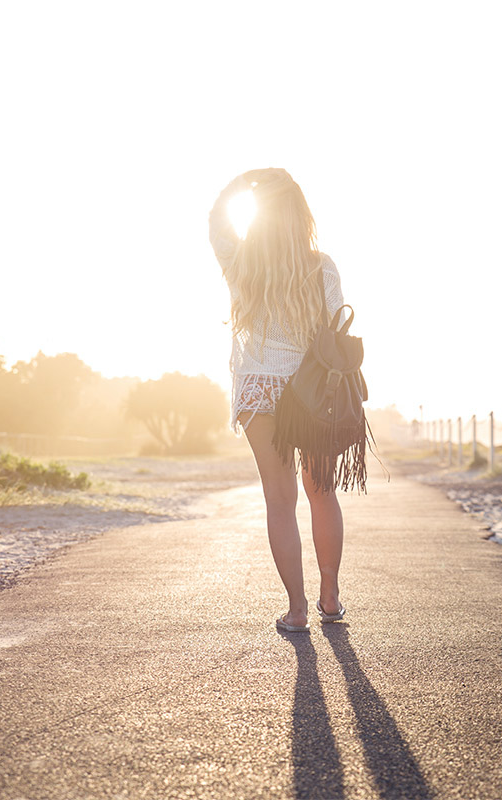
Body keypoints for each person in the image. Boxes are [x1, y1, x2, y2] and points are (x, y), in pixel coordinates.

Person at [209, 167, 348, 634]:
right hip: (311, 392)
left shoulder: (241, 262)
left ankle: (297, 609)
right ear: (300, 215)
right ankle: (330, 597)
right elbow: (334, 333)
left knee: (279, 500)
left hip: (258, 391)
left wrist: (240, 184)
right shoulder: (322, 266)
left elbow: (215, 221)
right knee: (322, 494)